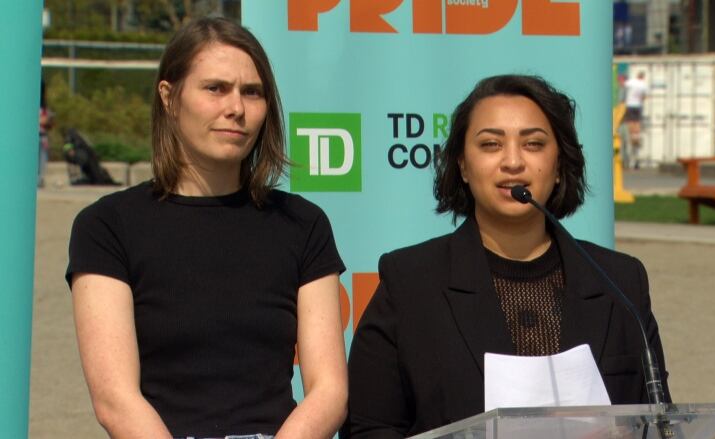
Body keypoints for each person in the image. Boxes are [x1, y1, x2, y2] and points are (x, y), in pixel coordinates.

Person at [342, 75, 670, 438]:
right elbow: (369, 428)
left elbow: (659, 422)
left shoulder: (620, 282)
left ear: (560, 164)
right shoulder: (410, 282)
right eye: (491, 144)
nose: (512, 162)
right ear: (463, 165)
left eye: (533, 143)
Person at [67, 18, 347, 439]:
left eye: (252, 92)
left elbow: (329, 391)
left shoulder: (303, 225)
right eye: (215, 88)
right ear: (169, 97)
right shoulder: (107, 226)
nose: (236, 108)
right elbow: (115, 401)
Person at [623, 71, 648, 169]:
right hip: (638, 106)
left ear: (637, 76)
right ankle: (636, 136)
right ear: (643, 77)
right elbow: (644, 97)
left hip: (630, 105)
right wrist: (640, 99)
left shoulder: (632, 82)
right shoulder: (643, 85)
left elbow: (623, 86)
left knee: (630, 122)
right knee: (637, 122)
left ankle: (632, 135)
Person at [39, 80, 53, 188]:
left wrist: (47, 120)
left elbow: (49, 123)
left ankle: (40, 179)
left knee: (42, 160)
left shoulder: (44, 108)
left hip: (42, 136)